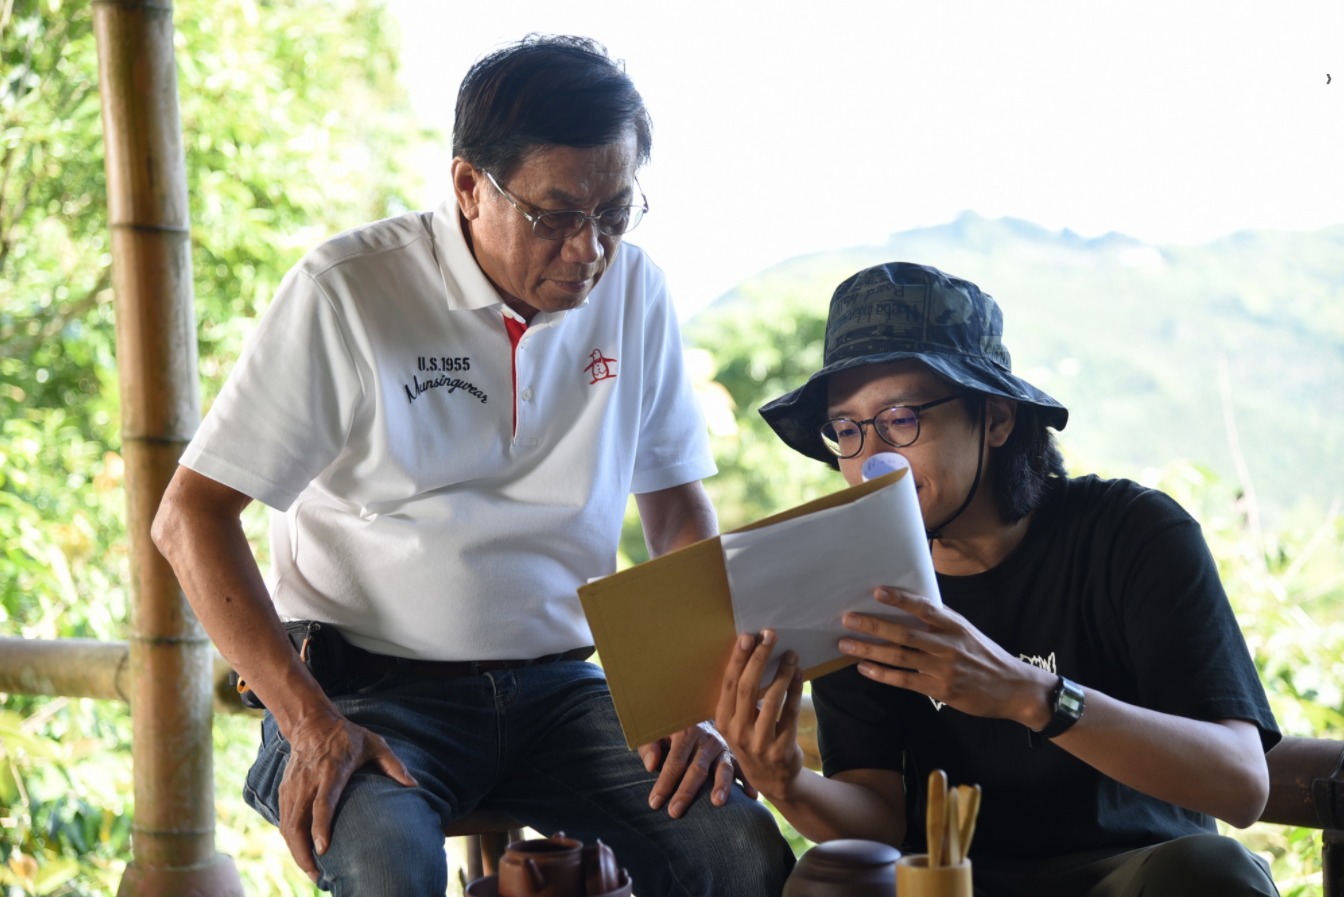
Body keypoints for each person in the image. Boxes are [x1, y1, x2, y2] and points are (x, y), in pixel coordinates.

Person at [151, 35, 793, 897]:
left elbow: (675, 509)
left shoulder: (635, 291)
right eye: (556, 216)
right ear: (467, 186)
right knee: (388, 865)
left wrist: (686, 690)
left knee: (738, 848)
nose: (589, 251)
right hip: (369, 692)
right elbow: (188, 516)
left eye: (614, 213)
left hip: (568, 688)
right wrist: (308, 720)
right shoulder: (349, 290)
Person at [715, 261, 1281, 896]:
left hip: (1131, 874)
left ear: (997, 418)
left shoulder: (1129, 533)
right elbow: (874, 817)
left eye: (901, 418)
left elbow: (1242, 783)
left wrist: (1026, 693)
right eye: (847, 429)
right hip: (952, 882)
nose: (871, 456)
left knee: (1213, 871)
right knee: (829, 881)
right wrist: (786, 782)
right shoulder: (857, 582)